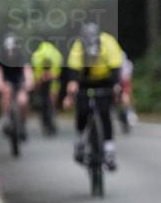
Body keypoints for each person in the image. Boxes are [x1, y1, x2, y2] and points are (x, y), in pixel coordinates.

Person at [63, 23, 123, 170]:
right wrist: (72, 84)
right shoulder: (78, 46)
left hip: (104, 80)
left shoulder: (108, 42)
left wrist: (116, 85)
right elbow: (72, 69)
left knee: (104, 112)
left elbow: (116, 66)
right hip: (84, 81)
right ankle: (79, 140)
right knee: (82, 111)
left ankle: (109, 149)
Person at [0, 34, 34, 140]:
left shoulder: (21, 56)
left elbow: (27, 70)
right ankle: (5, 118)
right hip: (7, 80)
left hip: (19, 80)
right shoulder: (1, 56)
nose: (11, 53)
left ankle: (23, 124)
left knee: (23, 101)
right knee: (6, 95)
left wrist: (29, 83)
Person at [30, 40, 63, 135]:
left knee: (52, 97)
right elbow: (36, 75)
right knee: (44, 99)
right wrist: (38, 81)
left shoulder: (55, 57)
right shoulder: (37, 58)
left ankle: (52, 114)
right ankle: (46, 117)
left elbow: (57, 73)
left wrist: (50, 76)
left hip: (52, 80)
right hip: (42, 80)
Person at [117, 51, 137, 132]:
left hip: (124, 83)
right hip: (116, 82)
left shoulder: (127, 64)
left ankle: (130, 113)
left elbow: (126, 79)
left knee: (126, 98)